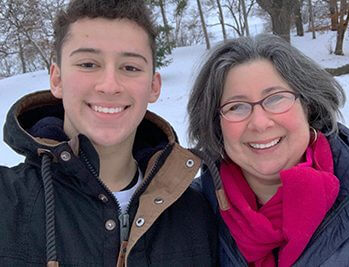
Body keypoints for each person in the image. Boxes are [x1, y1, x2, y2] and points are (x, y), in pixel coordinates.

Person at [0, 0, 218, 266]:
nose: (109, 85)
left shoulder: (196, 212)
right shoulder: (8, 203)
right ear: (56, 78)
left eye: (130, 67)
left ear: (153, 86)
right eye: (88, 64)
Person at [188, 34, 349, 267]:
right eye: (236, 106)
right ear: (215, 123)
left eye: (276, 98)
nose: (260, 123)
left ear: (308, 105)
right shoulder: (186, 215)